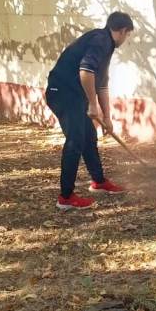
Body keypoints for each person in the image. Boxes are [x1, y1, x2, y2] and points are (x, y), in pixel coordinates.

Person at [45, 11, 135, 210]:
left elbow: (101, 84)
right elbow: (85, 71)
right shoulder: (100, 41)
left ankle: (99, 181)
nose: (126, 38)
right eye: (127, 34)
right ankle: (66, 197)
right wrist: (92, 105)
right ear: (122, 31)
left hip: (74, 95)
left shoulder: (106, 44)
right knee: (75, 141)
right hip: (62, 93)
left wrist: (107, 117)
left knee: (89, 137)